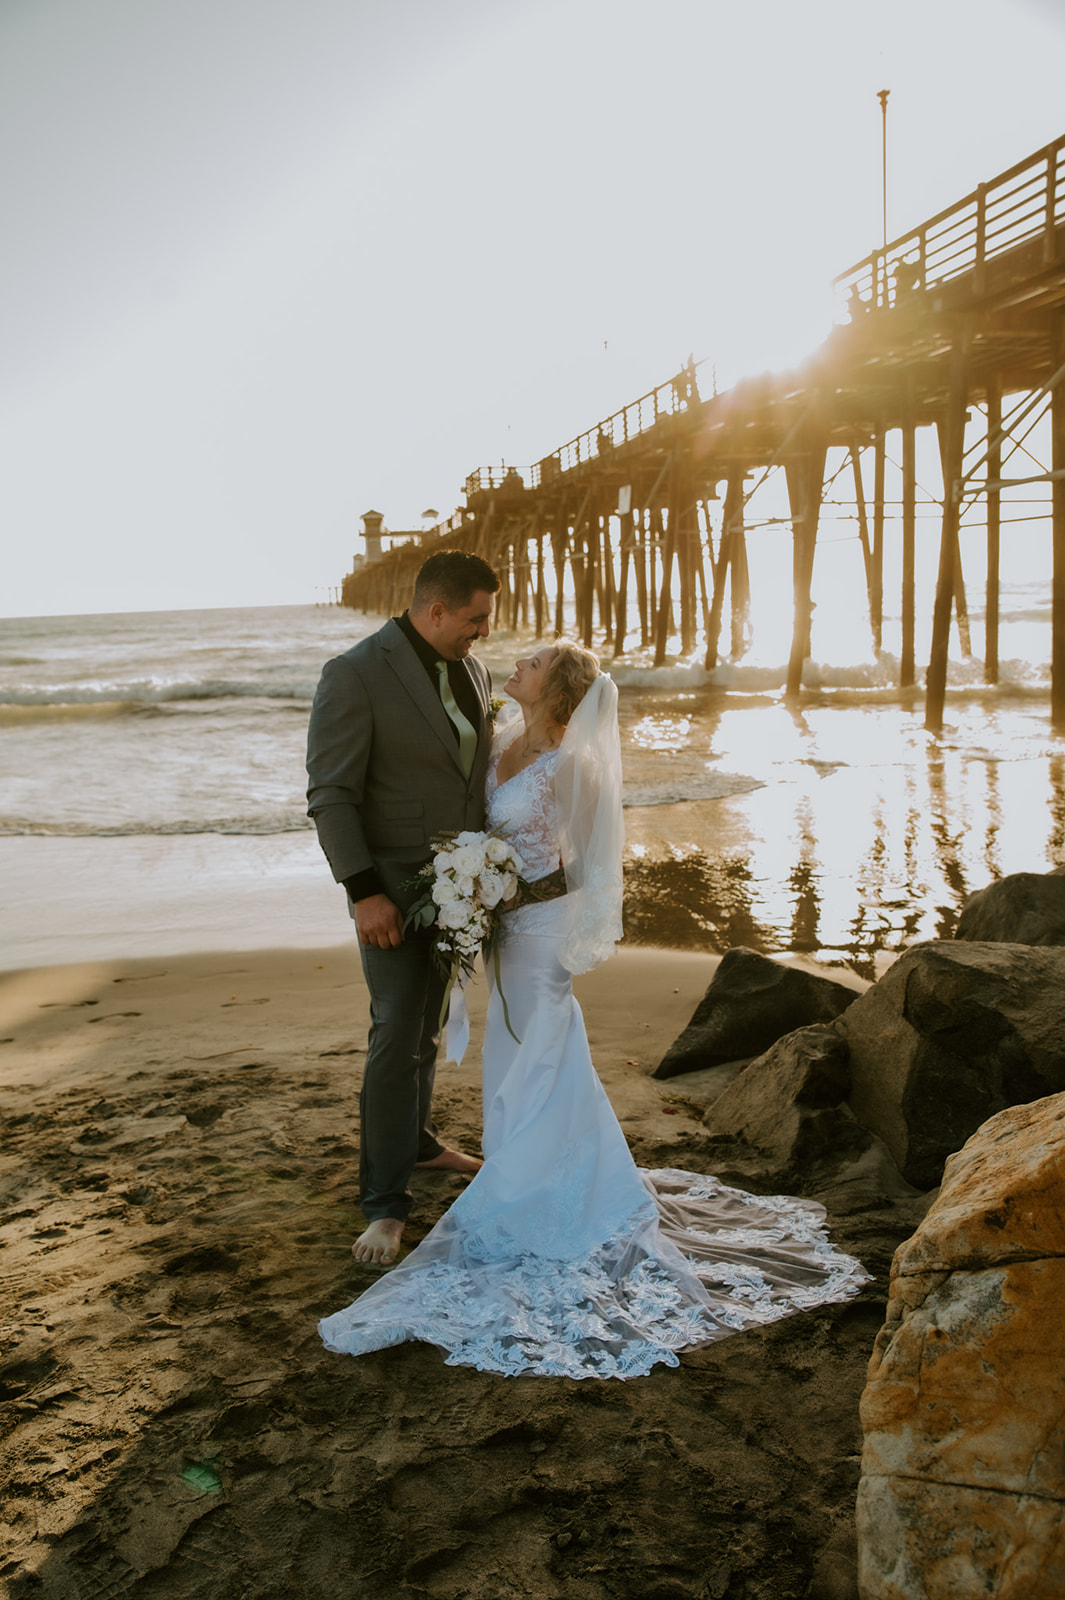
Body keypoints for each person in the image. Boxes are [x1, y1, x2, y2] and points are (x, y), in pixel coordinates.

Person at [318, 642, 869, 1379]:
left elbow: (589, 859)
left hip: (539, 929)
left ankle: (534, 1188)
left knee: (539, 1039)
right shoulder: (504, 740)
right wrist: (478, 885)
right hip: (502, 926)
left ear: (559, 689)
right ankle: (525, 1165)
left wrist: (514, 890)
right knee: (513, 1048)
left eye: (536, 661)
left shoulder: (570, 765)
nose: (517, 661)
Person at [306, 549, 500, 1268]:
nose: (482, 632)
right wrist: (364, 893)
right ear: (435, 608)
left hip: (457, 891)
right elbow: (331, 793)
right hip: (388, 891)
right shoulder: (353, 673)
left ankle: (418, 1144)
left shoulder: (473, 670)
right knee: (395, 1035)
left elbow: (467, 783)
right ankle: (384, 1206)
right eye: (474, 619)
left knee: (426, 1025)